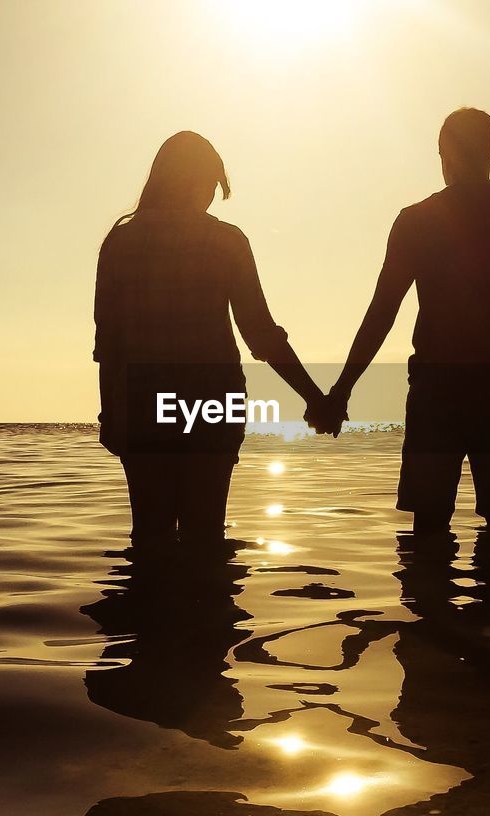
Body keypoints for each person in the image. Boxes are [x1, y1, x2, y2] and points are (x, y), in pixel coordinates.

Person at [312, 108, 490, 534]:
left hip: (437, 394)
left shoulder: (417, 221)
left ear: (443, 154)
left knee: (429, 528)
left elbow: (382, 311)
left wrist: (340, 390)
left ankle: (430, 599)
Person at [94, 131, 326, 542]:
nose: (208, 199)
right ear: (193, 181)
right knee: (205, 535)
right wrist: (313, 397)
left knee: (151, 535)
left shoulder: (121, 242)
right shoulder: (225, 241)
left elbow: (109, 344)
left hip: (143, 406)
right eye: (210, 186)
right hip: (211, 404)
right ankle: (207, 602)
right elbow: (260, 332)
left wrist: (111, 415)